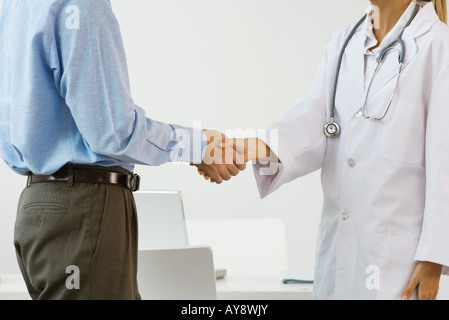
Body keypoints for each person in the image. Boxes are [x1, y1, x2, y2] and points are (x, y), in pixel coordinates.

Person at [202, 0, 449, 300]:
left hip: (399, 263)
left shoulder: (439, 47)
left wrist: (433, 259)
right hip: (340, 250)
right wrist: (249, 147)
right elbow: (313, 123)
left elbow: (444, 162)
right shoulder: (343, 44)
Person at [0, 0, 244, 300]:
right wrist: (198, 146)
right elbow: (112, 131)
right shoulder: (80, 4)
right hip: (82, 208)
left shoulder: (14, 6)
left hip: (36, 208)